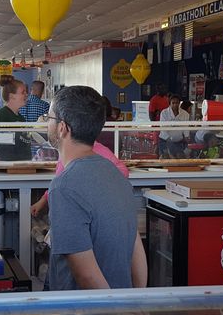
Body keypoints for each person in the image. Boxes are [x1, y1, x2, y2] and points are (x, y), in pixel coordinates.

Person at [44, 85, 146, 291]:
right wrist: (134, 300)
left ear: (62, 128)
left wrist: (114, 309)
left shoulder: (64, 187)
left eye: (49, 118)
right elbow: (136, 247)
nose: (47, 123)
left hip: (85, 309)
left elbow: (86, 275)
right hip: (120, 302)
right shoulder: (116, 174)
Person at [0, 80, 30, 160]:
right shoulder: (1, 115)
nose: (26, 94)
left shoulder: (21, 118)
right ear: (11, 96)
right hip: (8, 162)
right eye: (23, 92)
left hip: (22, 162)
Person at [158, 93, 189, 158]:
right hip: (165, 140)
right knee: (166, 157)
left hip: (179, 141)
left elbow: (186, 128)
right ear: (170, 103)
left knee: (180, 157)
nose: (175, 104)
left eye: (177, 103)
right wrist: (170, 142)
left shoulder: (185, 114)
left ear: (179, 103)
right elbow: (163, 129)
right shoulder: (164, 113)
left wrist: (187, 138)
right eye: (173, 103)